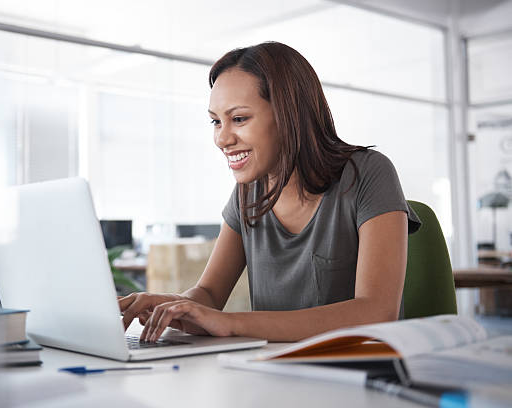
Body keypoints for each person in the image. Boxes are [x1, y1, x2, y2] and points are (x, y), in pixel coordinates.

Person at [118, 41, 421, 343]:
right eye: (215, 121)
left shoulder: (368, 173)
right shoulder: (246, 193)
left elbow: (377, 312)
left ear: (289, 115)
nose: (222, 138)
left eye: (238, 119)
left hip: (358, 375)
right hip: (270, 372)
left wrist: (231, 323)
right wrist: (170, 306)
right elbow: (209, 294)